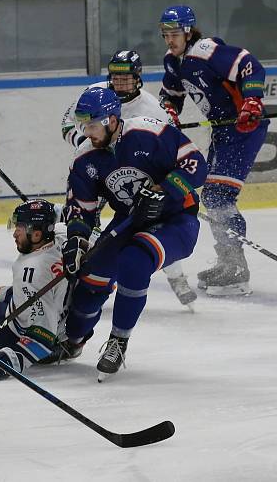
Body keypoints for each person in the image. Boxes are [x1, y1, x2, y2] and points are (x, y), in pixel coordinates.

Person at [60, 87, 206, 381]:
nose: (88, 133)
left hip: (176, 221)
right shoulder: (86, 159)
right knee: (90, 280)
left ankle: (118, 341)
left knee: (135, 261)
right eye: (84, 126)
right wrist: (77, 240)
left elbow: (196, 165)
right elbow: (83, 210)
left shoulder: (149, 133)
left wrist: (163, 191)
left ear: (113, 120)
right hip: (129, 220)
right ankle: (72, 340)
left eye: (93, 125)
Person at [60, 50, 198, 308]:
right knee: (81, 216)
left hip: (139, 178)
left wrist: (168, 188)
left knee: (155, 223)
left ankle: (176, 275)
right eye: (116, 77)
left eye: (126, 78)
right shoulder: (95, 93)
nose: (120, 82)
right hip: (101, 172)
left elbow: (174, 149)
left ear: (138, 78)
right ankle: (94, 278)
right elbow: (67, 124)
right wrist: (90, 145)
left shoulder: (152, 108)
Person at [158, 5, 269, 297]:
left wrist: (253, 101)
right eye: (165, 34)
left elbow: (250, 65)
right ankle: (228, 261)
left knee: (219, 194)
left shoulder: (205, 51)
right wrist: (169, 110)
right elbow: (170, 95)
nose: (170, 40)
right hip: (222, 130)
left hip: (243, 128)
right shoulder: (173, 61)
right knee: (211, 194)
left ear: (188, 31)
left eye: (174, 34)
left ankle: (235, 267)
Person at [0, 199, 68, 381]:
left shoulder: (32, 274)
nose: (15, 233)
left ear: (36, 235)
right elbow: (65, 214)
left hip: (16, 329)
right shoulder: (62, 236)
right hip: (33, 301)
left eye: (20, 227)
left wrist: (11, 360)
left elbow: (42, 337)